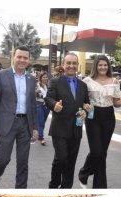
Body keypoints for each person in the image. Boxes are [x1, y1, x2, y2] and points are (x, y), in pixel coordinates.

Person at [0, 46, 38, 188]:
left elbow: (33, 105)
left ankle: (20, 191)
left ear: (29, 60)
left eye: (25, 58)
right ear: (13, 58)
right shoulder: (1, 75)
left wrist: (35, 127)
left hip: (25, 125)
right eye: (19, 57)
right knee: (3, 159)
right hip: (6, 124)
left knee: (23, 163)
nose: (22, 60)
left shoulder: (31, 79)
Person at [79, 55, 121, 188]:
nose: (103, 67)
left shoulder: (114, 81)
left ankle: (99, 186)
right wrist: (84, 106)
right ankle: (84, 173)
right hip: (93, 116)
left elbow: (116, 103)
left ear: (108, 66)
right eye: (100, 65)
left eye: (105, 65)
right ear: (95, 66)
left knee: (102, 153)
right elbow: (82, 100)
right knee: (96, 152)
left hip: (109, 116)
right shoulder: (87, 81)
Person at [44, 52, 90, 189]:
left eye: (74, 63)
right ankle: (54, 183)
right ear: (63, 65)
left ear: (78, 65)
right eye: (68, 63)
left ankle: (66, 186)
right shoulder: (55, 82)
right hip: (59, 128)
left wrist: (85, 111)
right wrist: (54, 105)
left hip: (76, 129)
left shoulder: (83, 85)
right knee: (62, 157)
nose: (71, 66)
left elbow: (85, 104)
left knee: (71, 160)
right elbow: (48, 99)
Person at [34, 71, 50, 145]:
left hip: (47, 105)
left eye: (46, 77)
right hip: (39, 104)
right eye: (43, 77)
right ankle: (41, 137)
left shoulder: (49, 85)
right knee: (40, 121)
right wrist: (36, 91)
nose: (45, 78)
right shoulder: (37, 85)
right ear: (40, 78)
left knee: (43, 121)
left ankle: (38, 133)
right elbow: (32, 94)